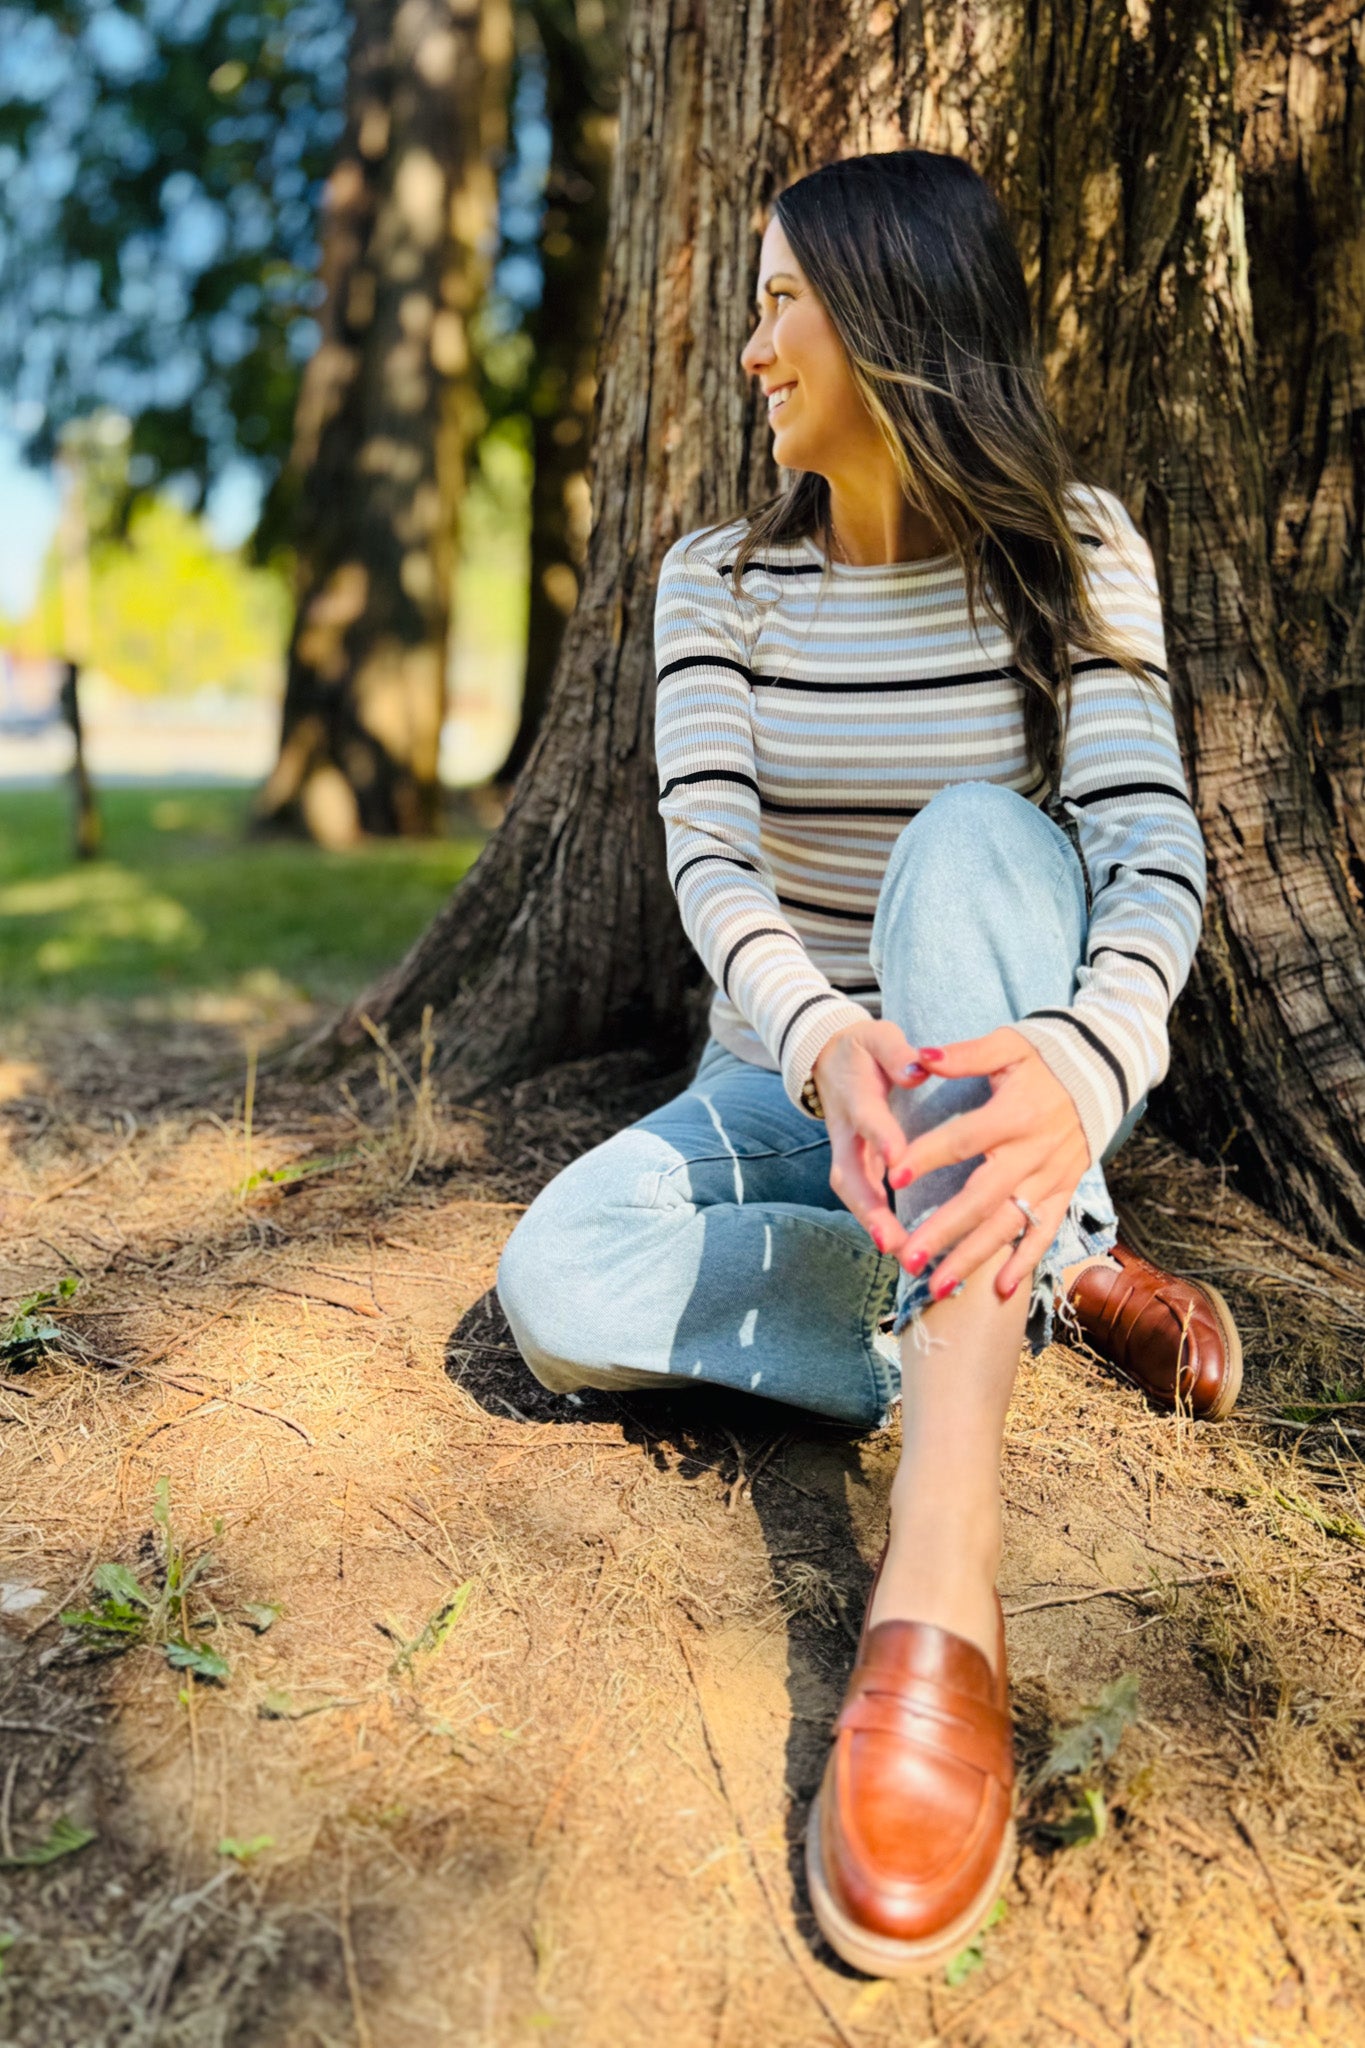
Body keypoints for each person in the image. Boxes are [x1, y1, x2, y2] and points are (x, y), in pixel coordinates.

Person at [496, 150, 1240, 1976]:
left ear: (889, 315)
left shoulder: (1075, 553)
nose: (749, 351)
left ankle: (938, 1559)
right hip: (781, 1091)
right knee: (555, 1284)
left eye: (778, 304)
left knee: (978, 842)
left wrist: (1080, 1056)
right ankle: (1036, 1279)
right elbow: (713, 865)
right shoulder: (715, 584)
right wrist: (824, 1042)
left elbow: (1150, 857)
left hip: (1005, 1088)